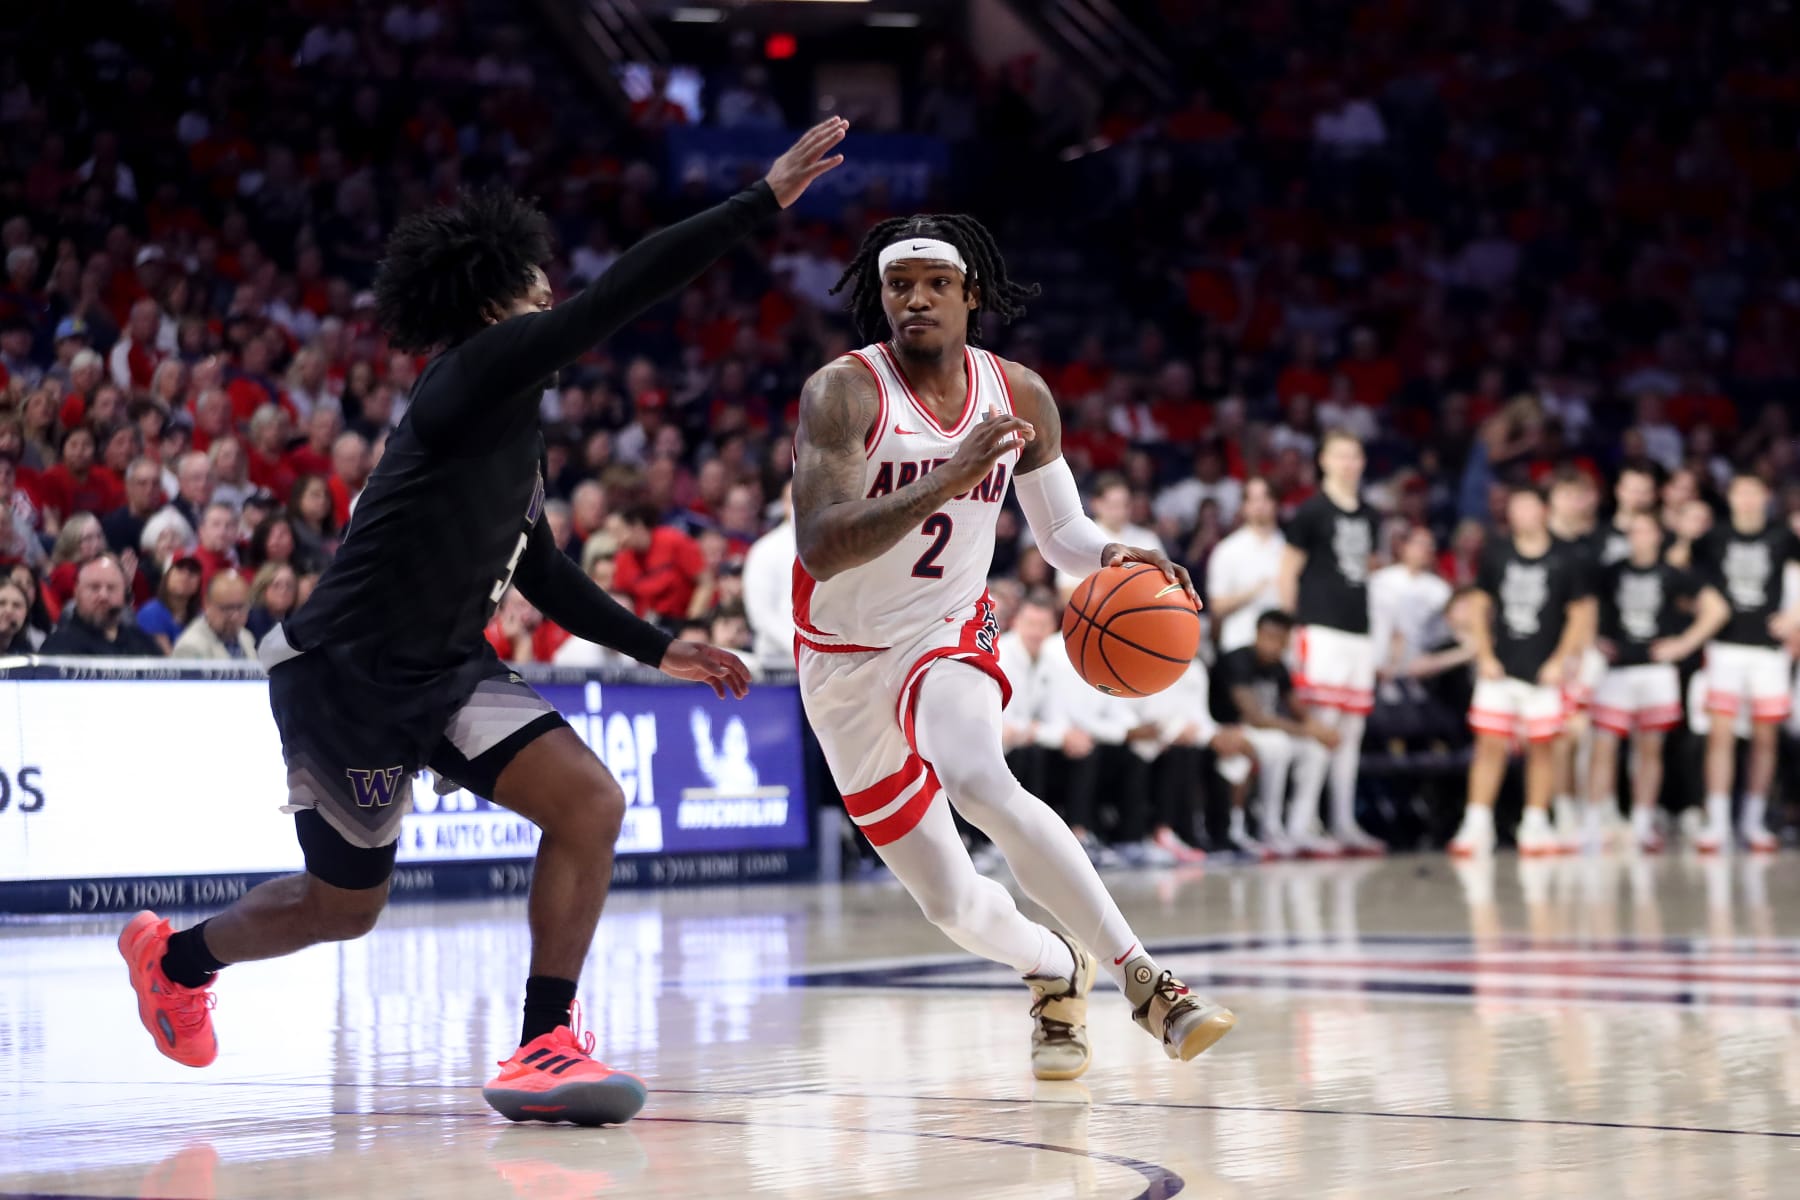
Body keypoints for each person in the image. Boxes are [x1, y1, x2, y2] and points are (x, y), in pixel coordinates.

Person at [114, 121, 846, 1126]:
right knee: (344, 910)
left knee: (589, 802)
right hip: (348, 677)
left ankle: (545, 1042)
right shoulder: (472, 376)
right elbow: (614, 297)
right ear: (491, 303)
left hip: (448, 667)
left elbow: (536, 564)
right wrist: (757, 202)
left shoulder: (510, 422)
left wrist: (656, 643)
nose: (550, 296)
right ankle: (176, 961)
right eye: (535, 285)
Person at [791, 211, 1235, 1084]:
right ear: (879, 298)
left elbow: (1061, 530)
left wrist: (1111, 553)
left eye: (936, 284)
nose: (915, 298)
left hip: (946, 627)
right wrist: (949, 477)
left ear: (971, 296)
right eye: (898, 284)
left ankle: (1145, 980)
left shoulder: (1020, 395)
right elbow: (822, 544)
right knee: (949, 901)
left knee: (979, 776)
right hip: (841, 656)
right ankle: (1051, 966)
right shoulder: (841, 393)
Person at [1450, 485, 1596, 856]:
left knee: (1543, 747)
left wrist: (1561, 661)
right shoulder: (1497, 553)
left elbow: (1579, 615)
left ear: (1544, 510)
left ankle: (1535, 822)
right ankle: (1476, 823)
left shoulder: (1567, 558)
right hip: (1501, 666)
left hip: (1544, 668)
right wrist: (1483, 654)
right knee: (1489, 745)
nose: (1523, 515)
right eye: (1516, 508)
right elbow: (1479, 605)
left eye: (1529, 507)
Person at [1587, 511, 1728, 852]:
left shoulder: (1673, 574)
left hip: (1656, 670)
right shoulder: (1611, 573)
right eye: (1634, 531)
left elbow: (1717, 609)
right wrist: (1592, 638)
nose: (1640, 537)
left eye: (1647, 530)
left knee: (1650, 749)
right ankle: (1594, 823)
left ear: (1657, 535)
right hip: (1617, 669)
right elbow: (1581, 606)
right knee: (1603, 747)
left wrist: (1683, 644)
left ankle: (1642, 822)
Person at [1275, 430, 1384, 853]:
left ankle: (1343, 822)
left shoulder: (1372, 516)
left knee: (1351, 734)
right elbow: (1287, 572)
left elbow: (1367, 572)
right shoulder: (1311, 511)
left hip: (1358, 632)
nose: (1348, 463)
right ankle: (1301, 822)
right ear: (1323, 461)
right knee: (1321, 728)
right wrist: (1291, 626)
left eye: (1355, 454)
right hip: (1319, 630)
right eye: (1340, 454)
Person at [1691, 471, 1800, 852]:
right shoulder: (1715, 537)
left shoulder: (1782, 535)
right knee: (1720, 734)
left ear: (1766, 496)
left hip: (1769, 651)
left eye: (1755, 492)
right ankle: (1718, 822)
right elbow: (1689, 580)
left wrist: (1795, 614)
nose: (1748, 500)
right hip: (1725, 646)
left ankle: (1753, 822)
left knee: (1765, 736)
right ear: (1731, 496)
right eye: (1741, 492)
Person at [1213, 610, 1338, 858]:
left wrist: (1319, 730)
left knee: (1315, 750)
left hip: (1267, 731)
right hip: (1230, 727)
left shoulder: (1279, 666)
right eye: (1269, 638)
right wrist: (1306, 730)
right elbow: (1255, 717)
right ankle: (1269, 828)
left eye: (1281, 641)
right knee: (1278, 745)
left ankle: (1299, 829)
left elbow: (1297, 709)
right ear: (1257, 634)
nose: (1274, 646)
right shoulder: (1236, 660)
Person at [1204, 476, 1285, 655]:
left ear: (1276, 503)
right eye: (1253, 499)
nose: (1260, 505)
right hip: (1239, 644)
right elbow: (1217, 605)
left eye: (1266, 498)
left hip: (1282, 651)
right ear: (1243, 506)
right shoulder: (1228, 549)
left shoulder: (1289, 549)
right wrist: (1253, 592)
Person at [40, 555, 162, 656]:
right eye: (94, 587)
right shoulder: (57, 647)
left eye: (111, 588)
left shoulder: (144, 644)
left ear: (124, 594)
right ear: (76, 593)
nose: (103, 596)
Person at [742, 480, 796, 671]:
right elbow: (760, 614)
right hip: (779, 663)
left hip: (824, 660)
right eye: (794, 500)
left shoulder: (833, 546)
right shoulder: (765, 549)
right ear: (784, 504)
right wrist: (797, 648)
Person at [171, 571, 256, 659]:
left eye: (240, 607)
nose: (235, 616)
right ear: (207, 604)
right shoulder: (190, 647)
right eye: (227, 608)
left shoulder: (246, 637)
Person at [136, 555, 203, 654]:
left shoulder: (201, 618)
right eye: (179, 569)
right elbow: (169, 661)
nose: (185, 577)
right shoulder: (151, 613)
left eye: (192, 572)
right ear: (166, 575)